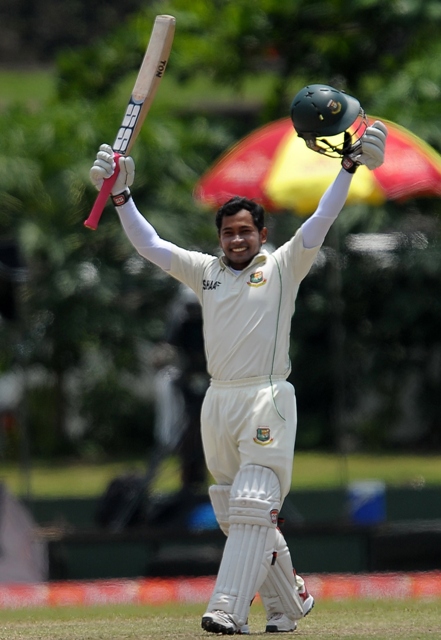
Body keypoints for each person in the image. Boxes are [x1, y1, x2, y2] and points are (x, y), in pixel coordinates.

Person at [89, 84, 387, 634]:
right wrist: (121, 197)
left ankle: (227, 608)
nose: (236, 240)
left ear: (261, 234)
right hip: (218, 399)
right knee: (234, 512)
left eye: (245, 231)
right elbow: (151, 247)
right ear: (220, 237)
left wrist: (347, 169)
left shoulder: (281, 268)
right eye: (228, 233)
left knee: (253, 505)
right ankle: (288, 602)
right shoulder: (204, 273)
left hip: (267, 396)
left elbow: (319, 220)